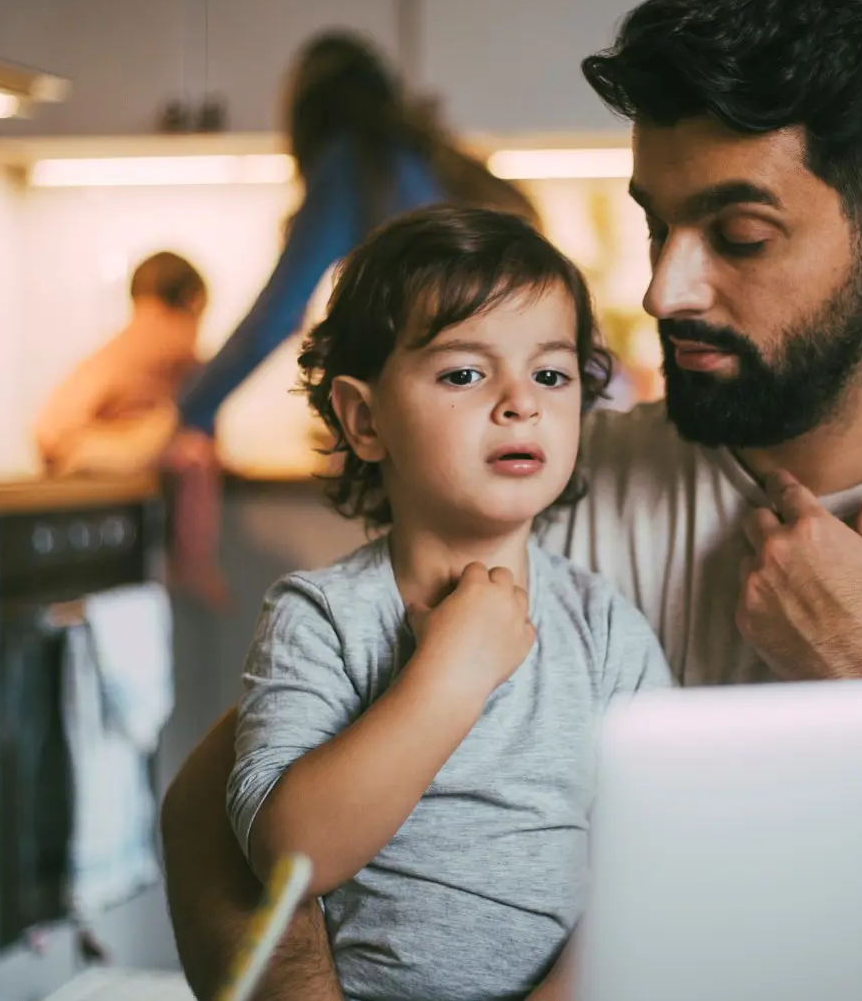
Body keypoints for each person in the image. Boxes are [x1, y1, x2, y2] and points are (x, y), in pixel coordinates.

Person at [160, 0, 862, 998]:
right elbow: (222, 807)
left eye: (738, 233)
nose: (666, 287)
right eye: (656, 224)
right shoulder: (551, 480)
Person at [225, 205, 670, 1001]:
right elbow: (290, 854)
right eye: (465, 373)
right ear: (364, 420)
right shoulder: (318, 617)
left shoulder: (605, 629)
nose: (519, 402)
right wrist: (450, 677)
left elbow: (661, 865)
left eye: (551, 374)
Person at [166, 31, 537, 468]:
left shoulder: (350, 165)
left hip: (455, 408)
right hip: (512, 406)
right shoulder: (422, 158)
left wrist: (189, 411)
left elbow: (276, 316)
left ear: (307, 117)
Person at [32, 251, 226, 604]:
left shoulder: (122, 340)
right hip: (82, 447)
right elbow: (205, 407)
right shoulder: (174, 335)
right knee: (195, 453)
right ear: (193, 301)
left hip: (66, 447)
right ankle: (194, 562)